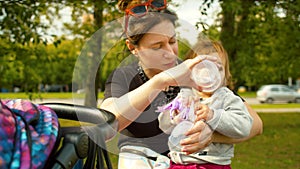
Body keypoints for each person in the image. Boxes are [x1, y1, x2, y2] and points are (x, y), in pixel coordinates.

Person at [100, 0, 263, 168]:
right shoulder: (125, 76)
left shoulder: (192, 70)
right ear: (133, 48)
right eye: (157, 47)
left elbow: (255, 125)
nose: (170, 54)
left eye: (172, 41)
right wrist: (160, 81)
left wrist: (211, 134)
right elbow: (105, 122)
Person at [157, 40, 253, 168]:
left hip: (211, 164)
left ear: (225, 75)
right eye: (203, 67)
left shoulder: (227, 98)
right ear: (190, 74)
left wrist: (213, 115)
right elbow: (164, 127)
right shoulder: (184, 96)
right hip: (178, 162)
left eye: (218, 68)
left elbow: (244, 127)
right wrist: (174, 116)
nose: (210, 73)